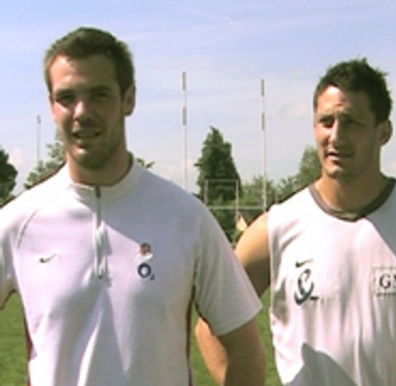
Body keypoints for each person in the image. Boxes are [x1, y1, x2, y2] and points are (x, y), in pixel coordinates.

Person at [194, 58, 396, 385]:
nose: (336, 135)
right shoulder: (275, 228)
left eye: (351, 122)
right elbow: (210, 324)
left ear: (383, 132)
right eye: (326, 121)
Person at [0, 27, 265, 386]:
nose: (82, 112)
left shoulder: (186, 218)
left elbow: (244, 347)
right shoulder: (18, 224)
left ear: (129, 99)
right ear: (51, 106)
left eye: (99, 95)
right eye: (67, 97)